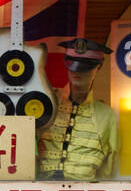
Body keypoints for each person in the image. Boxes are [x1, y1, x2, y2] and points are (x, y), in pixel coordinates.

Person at [38, 38, 119, 181]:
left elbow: (109, 170)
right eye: (72, 65)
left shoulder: (106, 115)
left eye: (86, 67)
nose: (78, 73)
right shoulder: (47, 103)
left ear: (99, 67)